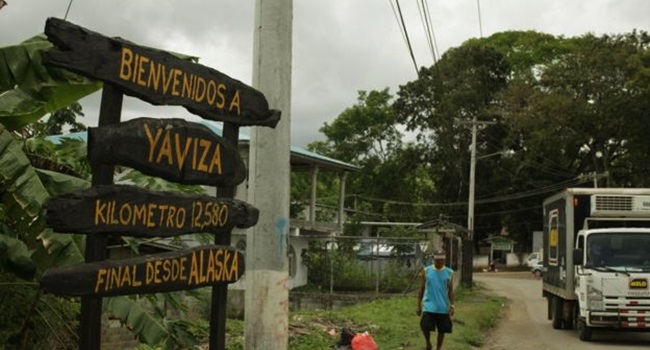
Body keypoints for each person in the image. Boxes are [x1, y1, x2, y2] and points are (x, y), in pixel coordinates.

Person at [416, 249, 454, 350]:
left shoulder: (449, 272)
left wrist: (452, 305)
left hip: (442, 306)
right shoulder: (426, 270)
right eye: (437, 260)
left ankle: (438, 348)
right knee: (425, 326)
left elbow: (450, 291)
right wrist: (418, 305)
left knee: (442, 330)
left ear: (444, 260)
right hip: (429, 305)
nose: (439, 262)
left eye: (441, 260)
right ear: (433, 259)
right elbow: (421, 289)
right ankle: (428, 343)